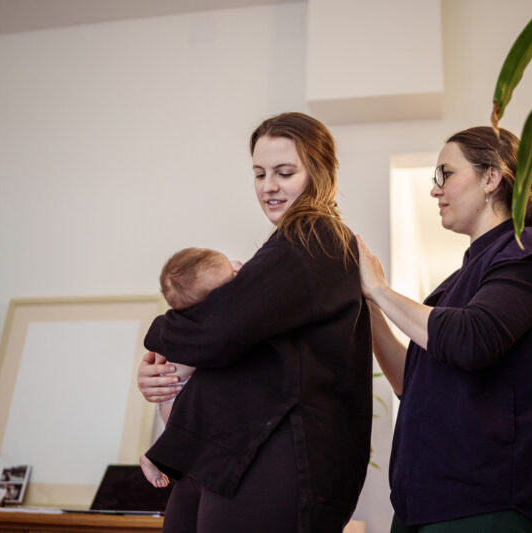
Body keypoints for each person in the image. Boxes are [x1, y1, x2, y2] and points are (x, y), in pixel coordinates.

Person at [136, 112, 372, 533]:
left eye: (285, 172)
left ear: (320, 173)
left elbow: (219, 328)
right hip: (235, 450)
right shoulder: (289, 245)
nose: (268, 187)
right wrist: (169, 363)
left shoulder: (313, 237)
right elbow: (226, 332)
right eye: (259, 173)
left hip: (280, 455)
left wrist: (163, 343)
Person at [356, 126, 532, 532]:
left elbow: (471, 339)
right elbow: (411, 381)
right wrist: (371, 306)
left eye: (445, 174)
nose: (435, 190)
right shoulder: (456, 284)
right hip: (426, 505)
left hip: (487, 505)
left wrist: (379, 288)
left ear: (491, 178)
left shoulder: (527, 248)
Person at [139, 247, 239, 488]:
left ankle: (159, 455)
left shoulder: (175, 321)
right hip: (176, 391)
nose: (236, 269)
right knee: (182, 432)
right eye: (231, 275)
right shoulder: (202, 331)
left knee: (184, 434)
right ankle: (154, 457)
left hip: (175, 388)